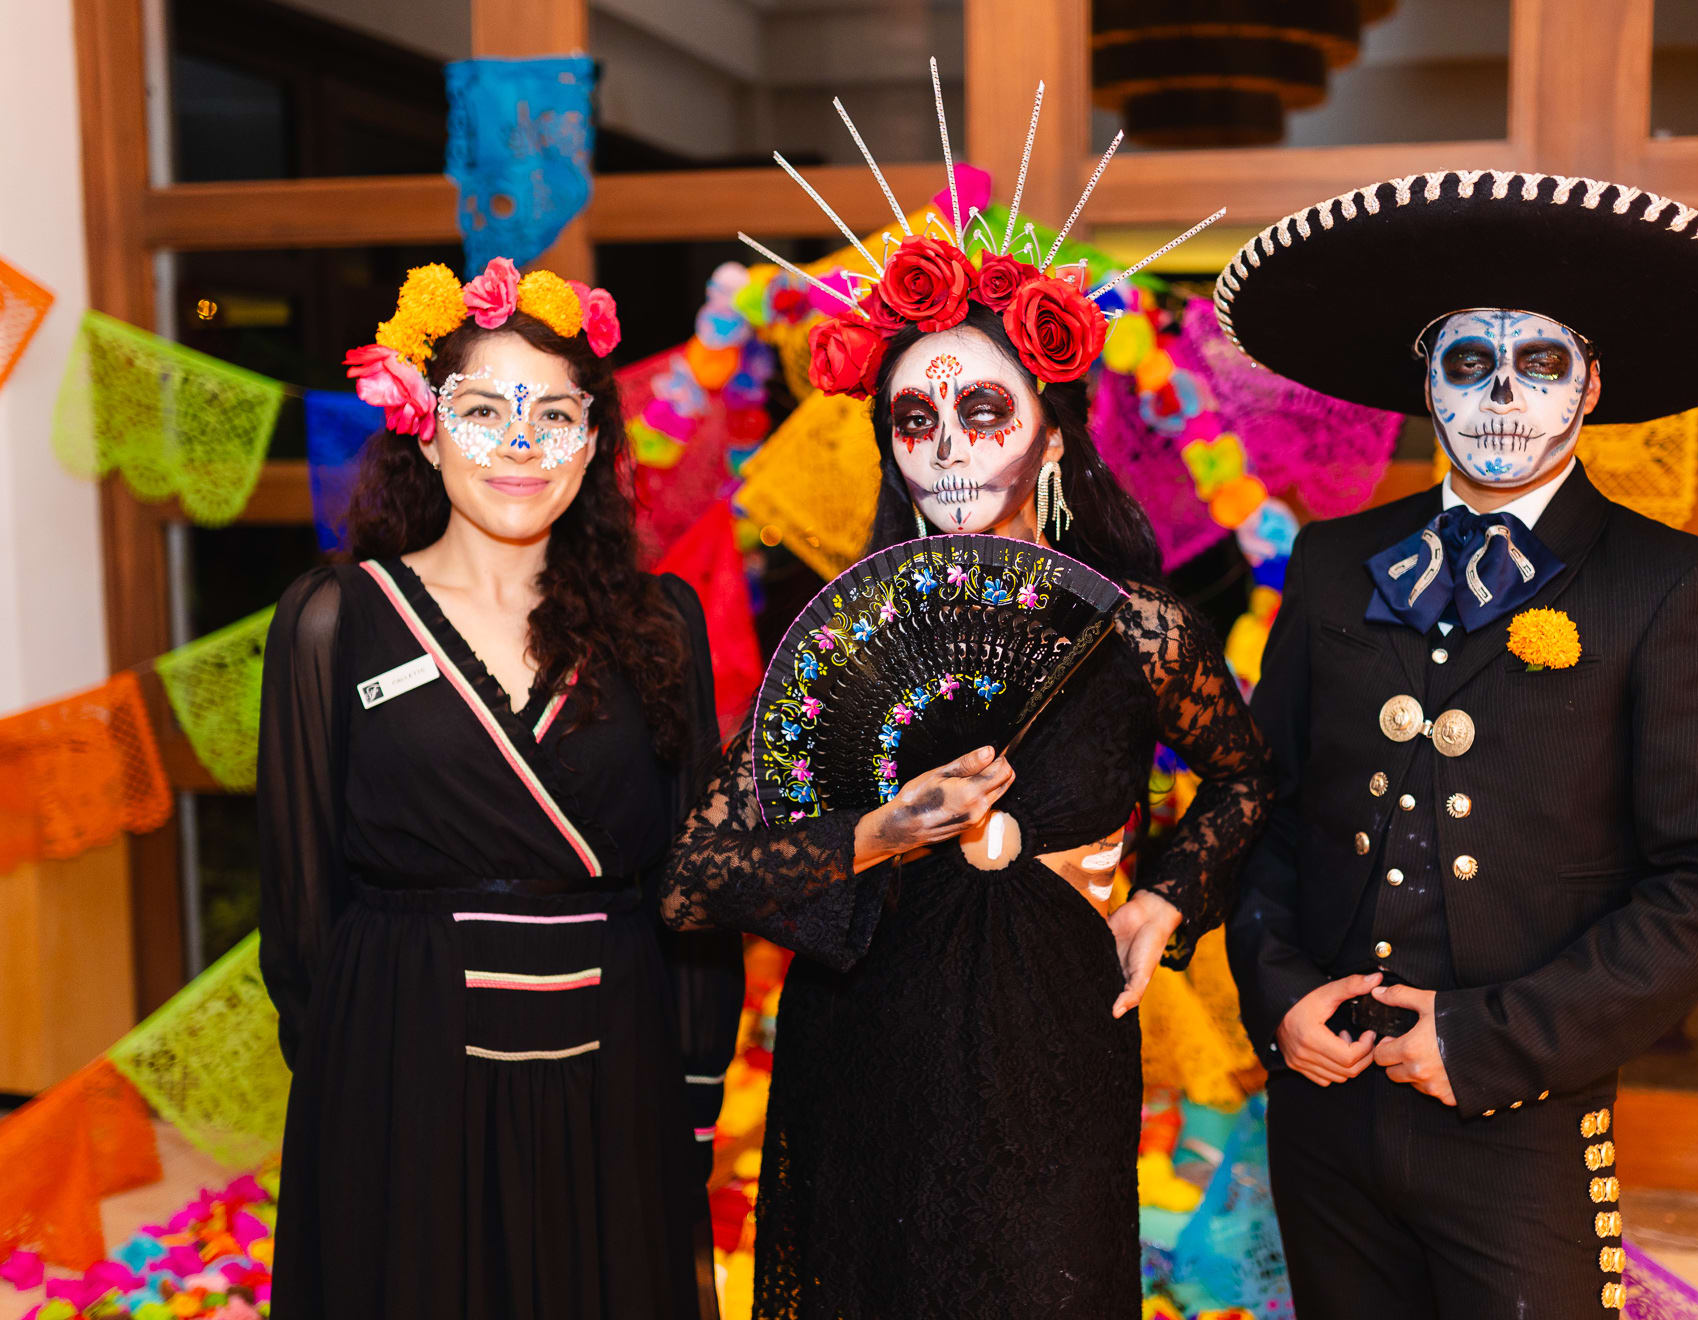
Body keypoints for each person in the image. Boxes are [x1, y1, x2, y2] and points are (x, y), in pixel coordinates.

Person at [660, 80, 1269, 1317]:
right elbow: (696, 875)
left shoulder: (1135, 629)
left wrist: (1163, 900)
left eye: (983, 409)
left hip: (1055, 1034)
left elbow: (1253, 777)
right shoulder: (842, 639)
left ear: (1048, 436)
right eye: (913, 417)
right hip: (868, 1035)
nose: (945, 444)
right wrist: (881, 832)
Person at [1217, 170, 1698, 1318]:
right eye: (1465, 362)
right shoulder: (1339, 561)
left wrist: (1495, 1041)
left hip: (1520, 1117)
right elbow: (1273, 804)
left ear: (1592, 385)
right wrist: (1279, 990)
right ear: (1423, 383)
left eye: (1538, 363)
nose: (1500, 396)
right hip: (1323, 1105)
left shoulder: (1671, 586)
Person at [259, 258, 738, 1320]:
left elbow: (695, 885)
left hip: (618, 1065)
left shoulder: (661, 624)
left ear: (593, 442)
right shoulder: (336, 619)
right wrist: (356, 1077)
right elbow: (298, 910)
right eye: (483, 410)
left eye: (554, 415)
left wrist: (694, 1090)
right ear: (424, 428)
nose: (520, 443)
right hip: (399, 1061)